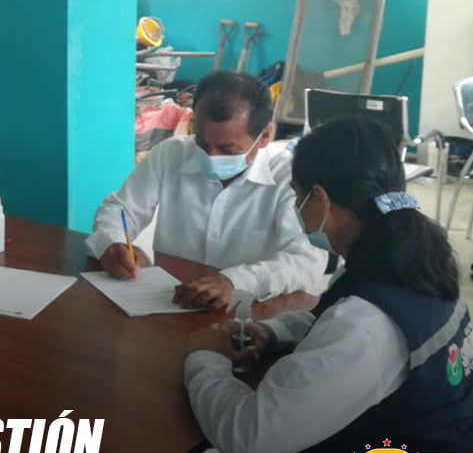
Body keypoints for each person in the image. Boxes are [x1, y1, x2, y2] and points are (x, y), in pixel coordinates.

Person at [183, 116, 473, 453]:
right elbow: (333, 316)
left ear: (320, 198)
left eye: (297, 197)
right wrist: (274, 332)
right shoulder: (411, 257)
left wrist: (204, 357)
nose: (298, 210)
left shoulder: (367, 323)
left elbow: (246, 438)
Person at [86, 71, 325, 309]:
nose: (211, 156)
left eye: (227, 149)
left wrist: (235, 281)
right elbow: (121, 209)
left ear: (264, 136)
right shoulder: (171, 154)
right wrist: (112, 242)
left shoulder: (290, 177)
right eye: (201, 142)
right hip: (169, 300)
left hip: (249, 314)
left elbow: (306, 260)